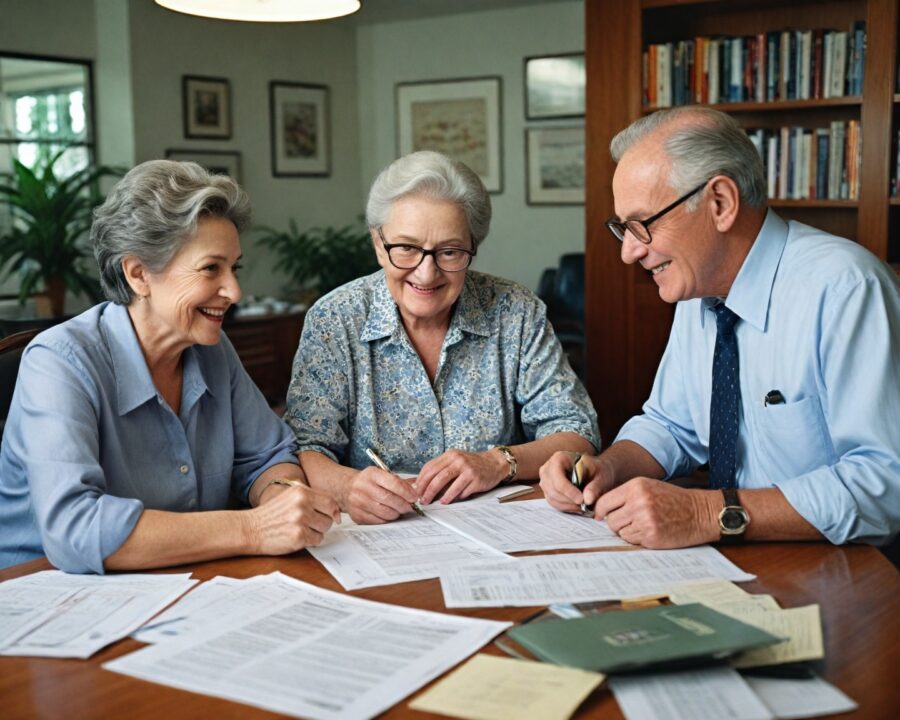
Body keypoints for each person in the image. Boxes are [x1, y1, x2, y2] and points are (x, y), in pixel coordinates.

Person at [540, 107, 900, 549]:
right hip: (733, 558)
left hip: (841, 567)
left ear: (720, 203)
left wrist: (707, 512)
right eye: (623, 229)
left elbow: (886, 485)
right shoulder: (700, 287)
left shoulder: (846, 288)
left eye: (642, 225)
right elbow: (672, 425)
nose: (628, 253)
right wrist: (608, 467)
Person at [0, 160, 340, 574]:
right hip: (48, 599)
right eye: (211, 268)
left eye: (235, 268)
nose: (233, 291)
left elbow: (267, 456)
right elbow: (76, 529)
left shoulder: (211, 348)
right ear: (139, 273)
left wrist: (282, 498)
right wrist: (253, 529)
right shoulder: (59, 364)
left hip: (185, 582)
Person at [286, 150, 599, 524]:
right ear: (377, 244)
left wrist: (498, 462)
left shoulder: (516, 312)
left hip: (500, 530)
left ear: (473, 248)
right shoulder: (334, 320)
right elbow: (305, 447)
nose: (426, 273)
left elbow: (577, 433)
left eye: (450, 252)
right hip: (379, 533)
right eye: (406, 248)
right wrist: (346, 487)